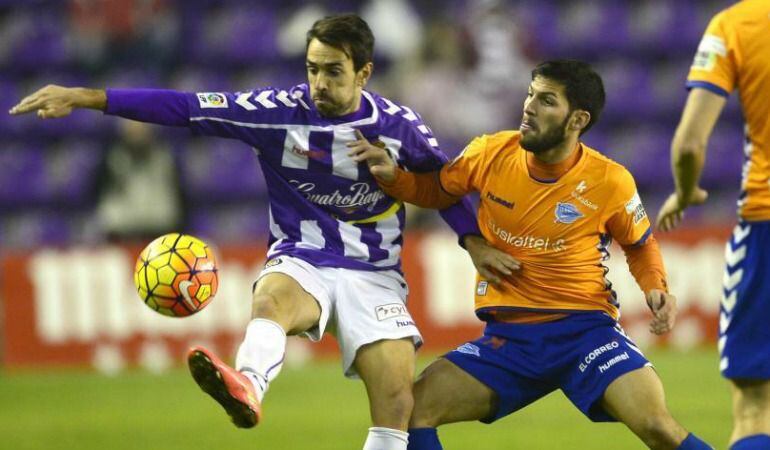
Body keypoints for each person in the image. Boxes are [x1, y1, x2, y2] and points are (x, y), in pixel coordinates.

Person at [9, 14, 504, 450]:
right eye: (313, 69)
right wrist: (88, 98)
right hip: (303, 257)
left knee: (396, 405)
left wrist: (473, 241)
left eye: (334, 71)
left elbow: (445, 185)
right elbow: (183, 107)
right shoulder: (275, 113)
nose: (319, 83)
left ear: (364, 73)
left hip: (375, 273)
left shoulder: (399, 127)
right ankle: (247, 385)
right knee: (272, 300)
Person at [350, 59, 712, 449]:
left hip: (586, 334)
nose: (529, 107)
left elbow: (641, 246)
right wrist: (397, 179)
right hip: (511, 341)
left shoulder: (610, 181)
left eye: (546, 101)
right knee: (412, 411)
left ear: (577, 120)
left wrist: (656, 288)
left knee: (657, 426)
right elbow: (439, 190)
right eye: (530, 94)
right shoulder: (490, 152)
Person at [655, 1, 770, 449]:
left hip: (765, 222)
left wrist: (685, 193)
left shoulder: (735, 25)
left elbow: (689, 144)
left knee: (755, 406)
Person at [94, 119, 184, 242]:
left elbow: (180, 194)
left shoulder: (165, 158)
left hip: (159, 226)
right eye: (132, 128)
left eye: (142, 127)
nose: (137, 133)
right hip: (121, 228)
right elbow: (98, 193)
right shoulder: (112, 158)